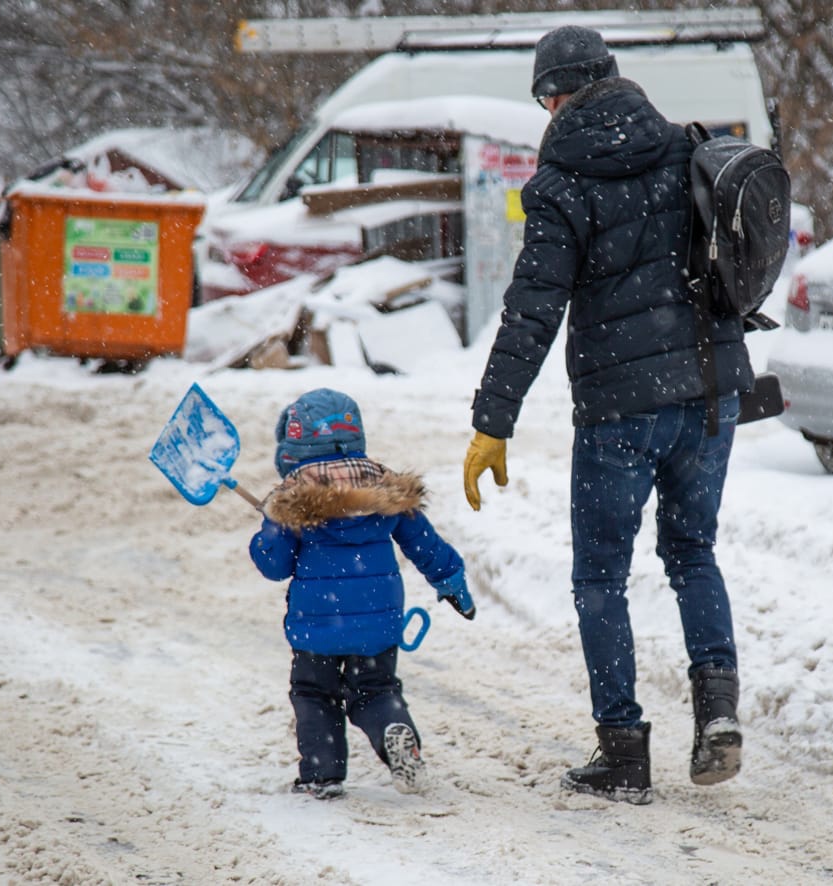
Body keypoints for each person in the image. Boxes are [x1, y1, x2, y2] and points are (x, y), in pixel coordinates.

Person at [462, 25, 752, 805]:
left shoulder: (560, 184)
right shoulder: (683, 148)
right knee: (693, 553)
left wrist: (494, 421)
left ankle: (624, 752)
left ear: (553, 96)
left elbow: (532, 312)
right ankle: (717, 713)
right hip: (707, 393)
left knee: (599, 578)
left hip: (620, 413)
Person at [251, 388, 475, 800]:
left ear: (294, 443)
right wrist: (452, 582)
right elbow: (426, 544)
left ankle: (322, 774)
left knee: (315, 694)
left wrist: (271, 524)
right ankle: (394, 729)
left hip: (318, 626)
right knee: (375, 689)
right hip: (378, 620)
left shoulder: (293, 498)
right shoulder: (386, 490)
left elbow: (274, 565)